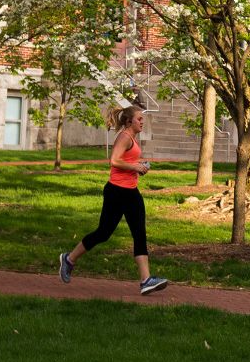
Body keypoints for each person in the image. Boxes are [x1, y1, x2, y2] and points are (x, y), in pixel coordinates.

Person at [59, 101, 168, 295]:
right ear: (129, 121)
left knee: (139, 233)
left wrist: (140, 166)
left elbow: (125, 160)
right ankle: (69, 259)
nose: (143, 122)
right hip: (116, 192)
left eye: (143, 119)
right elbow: (114, 161)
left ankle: (146, 280)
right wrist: (135, 166)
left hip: (131, 192)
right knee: (103, 233)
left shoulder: (132, 137)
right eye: (140, 119)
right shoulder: (125, 137)